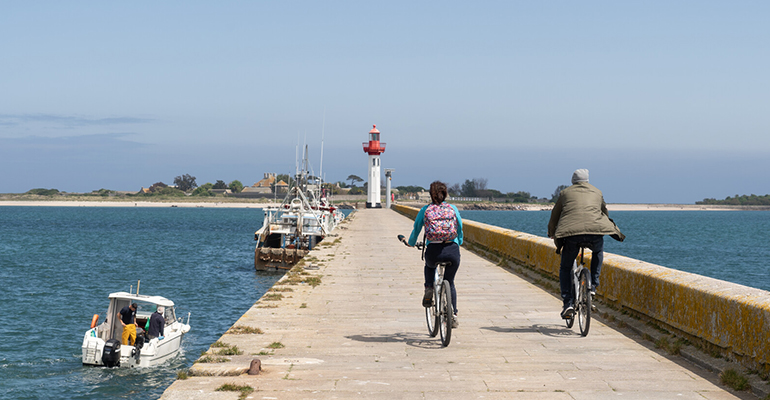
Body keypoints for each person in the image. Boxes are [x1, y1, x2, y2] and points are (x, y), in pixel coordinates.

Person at [548, 169, 625, 319]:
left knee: (565, 267)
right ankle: (594, 286)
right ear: (587, 180)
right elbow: (604, 213)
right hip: (594, 232)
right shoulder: (597, 192)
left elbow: (555, 215)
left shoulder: (565, 193)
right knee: (598, 252)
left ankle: (568, 303)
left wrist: (551, 232)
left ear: (573, 181)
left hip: (572, 234)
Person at [407, 181, 463, 328]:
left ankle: (429, 288)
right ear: (445, 194)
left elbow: (416, 229)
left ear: (431, 194)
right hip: (452, 250)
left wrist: (411, 243)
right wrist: (460, 241)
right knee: (449, 282)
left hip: (434, 251)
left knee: (429, 266)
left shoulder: (425, 210)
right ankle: (454, 314)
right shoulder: (453, 208)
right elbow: (460, 227)